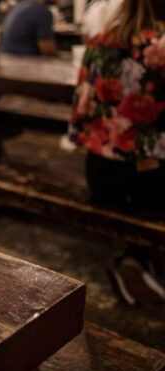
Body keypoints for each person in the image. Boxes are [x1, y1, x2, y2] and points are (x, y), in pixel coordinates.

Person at [68, 0, 165, 305]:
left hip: (99, 171)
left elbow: (80, 106)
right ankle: (140, 262)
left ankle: (138, 261)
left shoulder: (100, 41)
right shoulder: (160, 46)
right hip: (146, 174)